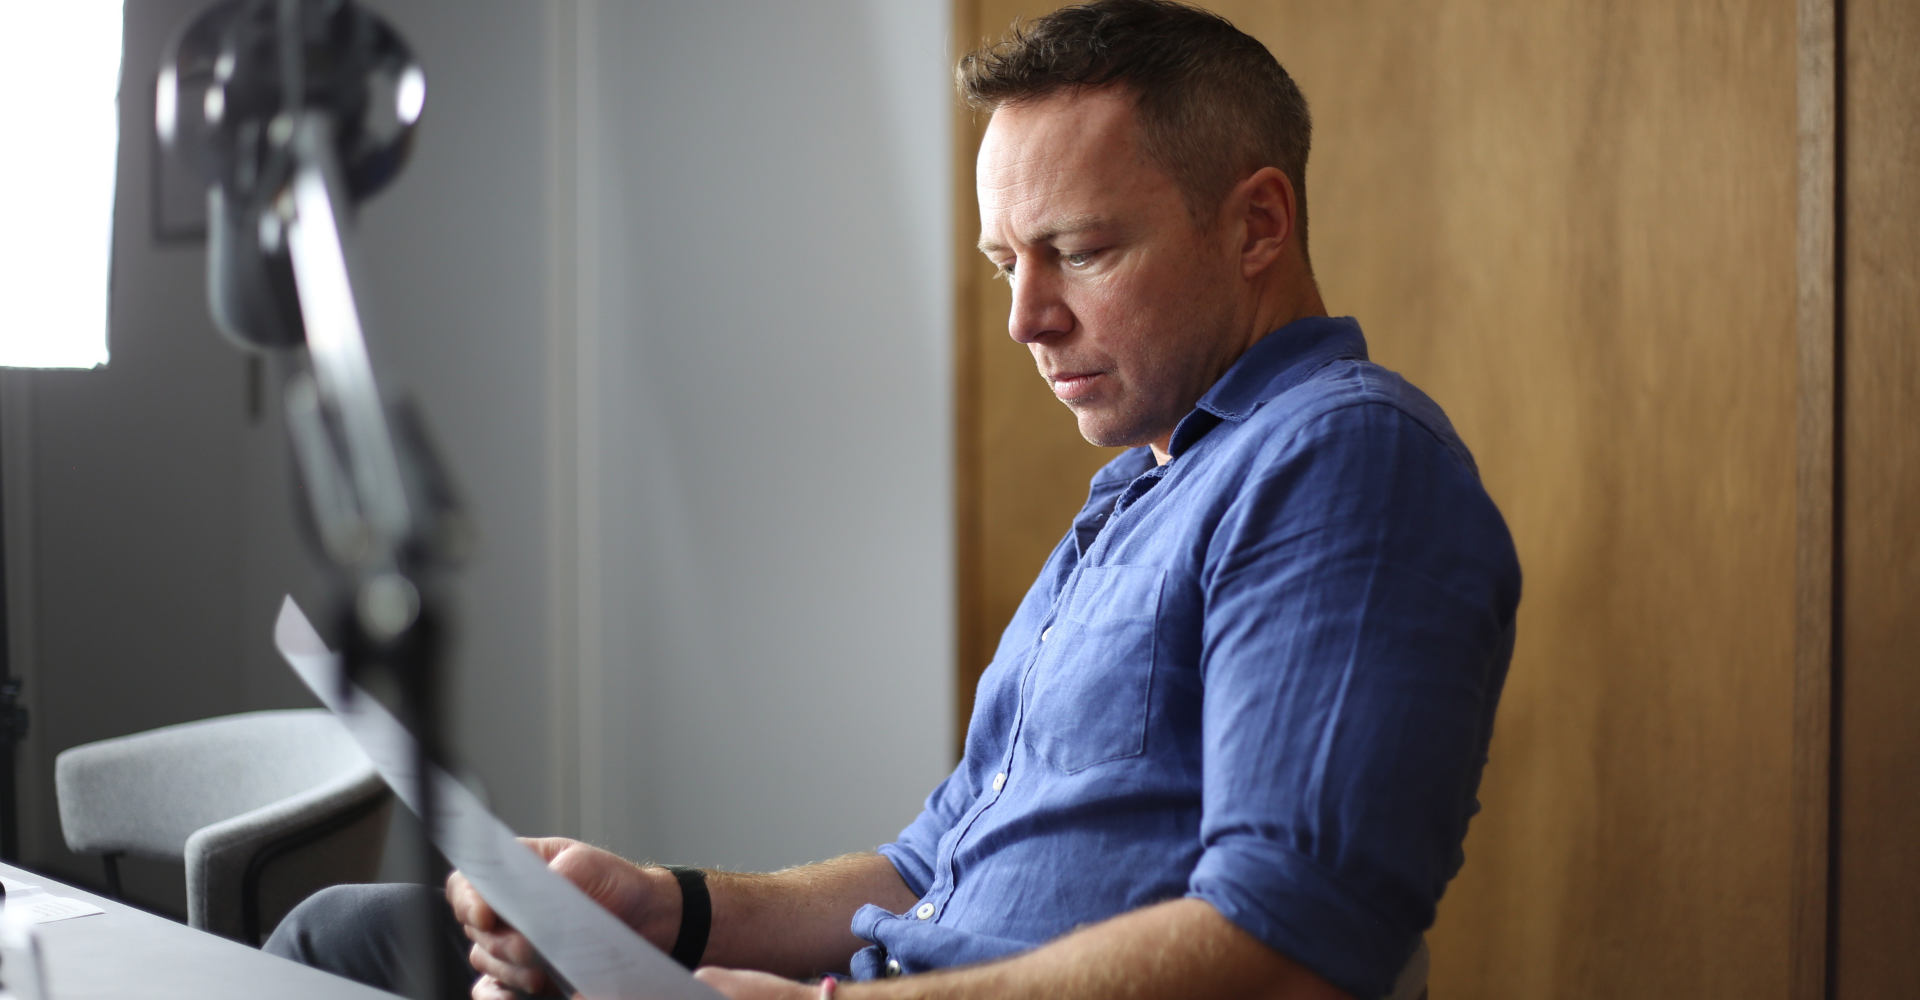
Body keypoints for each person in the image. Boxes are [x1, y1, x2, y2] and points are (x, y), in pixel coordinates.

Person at [267, 3, 1520, 999]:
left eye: (1080, 252)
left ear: (1257, 225)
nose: (1026, 319)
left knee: (336, 951)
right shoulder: (1139, 492)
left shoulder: (1344, 459)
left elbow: (1294, 947)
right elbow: (931, 864)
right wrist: (667, 908)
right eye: (1005, 264)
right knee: (352, 930)